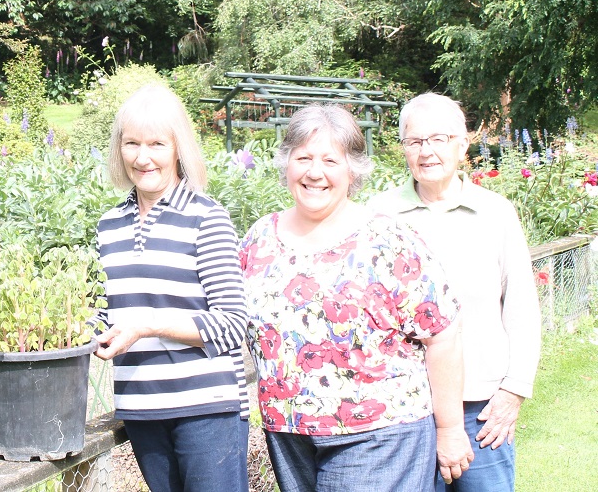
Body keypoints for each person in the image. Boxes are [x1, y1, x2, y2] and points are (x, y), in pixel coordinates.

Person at [240, 104, 473, 492]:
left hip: (380, 434)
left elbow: (443, 334)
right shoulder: (258, 239)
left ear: (353, 170)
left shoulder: (387, 239)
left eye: (331, 160)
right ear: (286, 165)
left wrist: (449, 428)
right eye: (304, 158)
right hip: (289, 435)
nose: (315, 172)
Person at [370, 93, 541, 492]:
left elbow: (521, 308)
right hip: (404, 409)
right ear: (403, 149)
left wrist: (514, 390)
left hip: (482, 409)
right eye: (414, 142)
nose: (426, 152)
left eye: (439, 139)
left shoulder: (495, 213)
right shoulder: (379, 215)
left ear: (463, 145)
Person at [94, 83, 249, 492]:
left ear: (178, 147)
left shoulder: (206, 217)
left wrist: (149, 326)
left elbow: (232, 324)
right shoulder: (109, 226)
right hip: (142, 408)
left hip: (207, 409)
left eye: (156, 144)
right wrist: (76, 329)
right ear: (119, 148)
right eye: (131, 144)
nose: (142, 157)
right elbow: (110, 311)